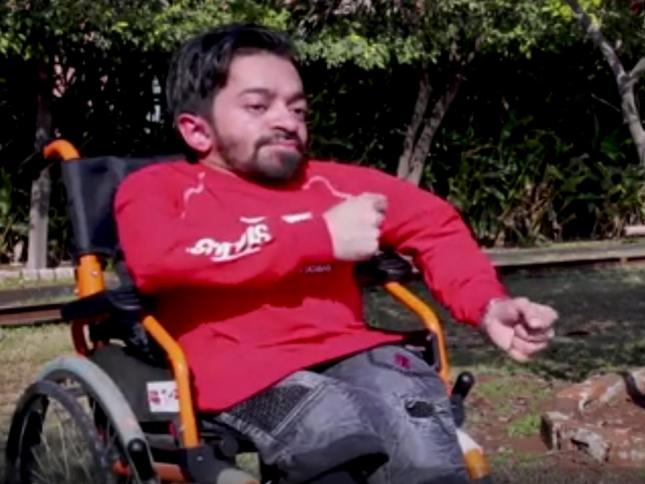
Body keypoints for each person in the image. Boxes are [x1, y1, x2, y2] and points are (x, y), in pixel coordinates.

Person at [115, 24, 557, 484]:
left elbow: (435, 226)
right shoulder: (160, 189)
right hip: (240, 369)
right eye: (258, 106)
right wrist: (317, 237)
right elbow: (158, 260)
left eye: (298, 109)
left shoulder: (334, 184)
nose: (287, 121)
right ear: (197, 131)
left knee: (419, 425)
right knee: (337, 433)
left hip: (353, 352)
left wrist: (487, 304)